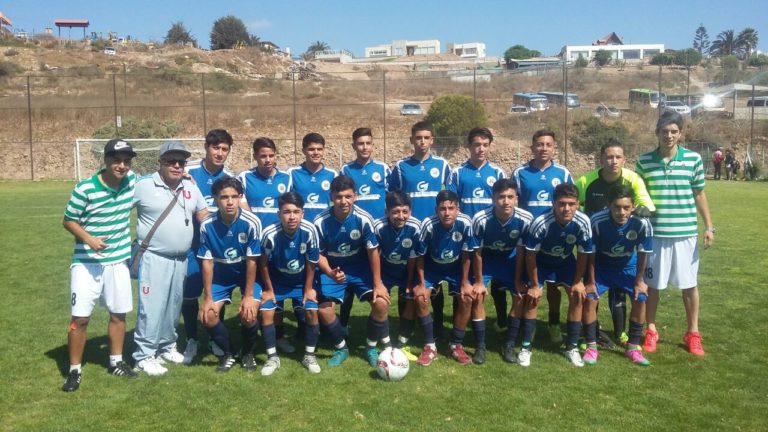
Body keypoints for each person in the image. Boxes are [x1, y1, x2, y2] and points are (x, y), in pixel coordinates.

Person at [61, 139, 139, 392]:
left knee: (118, 314)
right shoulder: (85, 188)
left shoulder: (132, 181)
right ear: (105, 160)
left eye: (126, 161)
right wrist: (89, 239)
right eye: (116, 160)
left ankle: (116, 362)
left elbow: (158, 179)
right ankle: (74, 370)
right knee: (80, 318)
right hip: (86, 263)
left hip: (118, 262)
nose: (122, 166)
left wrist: (186, 177)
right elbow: (68, 220)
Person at [636, 110, 714, 356]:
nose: (669, 135)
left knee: (689, 286)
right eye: (664, 131)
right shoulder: (644, 162)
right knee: (652, 286)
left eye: (674, 131)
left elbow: (699, 194)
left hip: (685, 234)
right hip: (655, 235)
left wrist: (709, 227)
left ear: (680, 133)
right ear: (657, 132)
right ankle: (651, 330)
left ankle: (693, 333)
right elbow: (639, 196)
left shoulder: (693, 159)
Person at [132, 141, 208, 376]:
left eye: (181, 162)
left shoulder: (190, 187)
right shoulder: (143, 185)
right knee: (151, 308)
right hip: (154, 257)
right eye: (171, 161)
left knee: (173, 306)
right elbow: (119, 207)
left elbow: (203, 214)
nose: (176, 166)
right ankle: (144, 355)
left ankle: (166, 346)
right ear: (160, 162)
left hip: (181, 259)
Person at [574, 138, 655, 347]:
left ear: (624, 159)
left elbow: (646, 206)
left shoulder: (632, 179)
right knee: (592, 292)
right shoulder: (586, 181)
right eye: (609, 157)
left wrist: (639, 211)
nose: (613, 161)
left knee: (619, 292)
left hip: (622, 244)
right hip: (595, 246)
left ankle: (621, 333)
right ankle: (591, 333)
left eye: (618, 157)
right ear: (601, 159)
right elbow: (572, 201)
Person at [314, 176, 390, 367]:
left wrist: (378, 283)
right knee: (324, 310)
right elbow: (318, 255)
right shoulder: (320, 221)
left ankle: (371, 347)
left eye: (348, 196)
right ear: (331, 197)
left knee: (381, 303)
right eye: (339, 197)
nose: (344, 201)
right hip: (334, 269)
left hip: (360, 269)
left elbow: (373, 252)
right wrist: (330, 272)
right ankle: (342, 348)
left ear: (355, 196)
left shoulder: (364, 219)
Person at [389, 121, 451, 341]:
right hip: (408, 230)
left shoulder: (442, 165)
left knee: (434, 281)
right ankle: (405, 326)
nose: (422, 142)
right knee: (406, 279)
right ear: (412, 140)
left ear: (432, 140)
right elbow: (393, 197)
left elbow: (449, 197)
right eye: (418, 138)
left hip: (434, 231)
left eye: (426, 138)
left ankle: (438, 325)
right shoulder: (401, 167)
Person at [512, 129, 574, 344]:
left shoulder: (563, 173)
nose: (543, 148)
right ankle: (525, 326)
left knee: (554, 287)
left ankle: (553, 324)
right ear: (532, 147)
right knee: (530, 284)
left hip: (555, 238)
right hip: (529, 238)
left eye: (548, 144)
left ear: (554, 147)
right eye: (539, 144)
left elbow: (571, 201)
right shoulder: (520, 173)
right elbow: (513, 202)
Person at [198, 177, 265, 373]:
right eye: (224, 197)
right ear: (215, 199)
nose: (229, 202)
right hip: (221, 276)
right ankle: (229, 353)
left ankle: (248, 353)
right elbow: (207, 262)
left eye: (234, 197)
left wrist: (248, 296)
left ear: (240, 197)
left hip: (246, 274)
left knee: (249, 314)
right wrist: (208, 298)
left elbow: (252, 261)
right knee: (208, 316)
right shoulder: (207, 224)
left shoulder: (252, 222)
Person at [524, 183, 594, 367]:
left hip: (565, 261)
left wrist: (577, 281)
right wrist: (534, 285)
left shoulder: (583, 221)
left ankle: (572, 347)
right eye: (562, 204)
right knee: (533, 297)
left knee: (577, 295)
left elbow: (583, 253)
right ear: (553, 203)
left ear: (578, 204)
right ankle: (526, 347)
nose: (566, 208)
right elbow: (530, 255)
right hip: (542, 262)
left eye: (571, 204)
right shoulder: (541, 222)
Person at [238, 137, 296, 354]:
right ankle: (253, 335)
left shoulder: (286, 178)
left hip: (279, 245)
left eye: (271, 155)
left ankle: (277, 335)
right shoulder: (245, 178)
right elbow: (242, 207)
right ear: (255, 156)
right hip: (254, 246)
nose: (268, 160)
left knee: (276, 291)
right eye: (263, 156)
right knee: (255, 289)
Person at [447, 127, 508, 330]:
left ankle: (501, 321)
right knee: (463, 281)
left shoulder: (497, 172)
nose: (481, 149)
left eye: (485, 145)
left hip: (491, 236)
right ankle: (460, 321)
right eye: (477, 145)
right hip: (465, 237)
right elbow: (452, 204)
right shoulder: (457, 173)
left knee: (497, 282)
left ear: (490, 147)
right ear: (469, 146)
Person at [181, 129, 234, 364]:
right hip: (192, 246)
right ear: (206, 147)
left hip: (218, 248)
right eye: (216, 148)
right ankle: (191, 339)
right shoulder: (188, 171)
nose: (220, 153)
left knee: (217, 293)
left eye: (224, 149)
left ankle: (214, 338)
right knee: (190, 295)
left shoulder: (230, 177)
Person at [588, 184, 653, 366]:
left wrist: (640, 281)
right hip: (602, 266)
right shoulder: (597, 221)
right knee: (589, 298)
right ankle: (591, 346)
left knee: (640, 297)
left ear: (633, 207)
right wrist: (591, 281)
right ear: (609, 205)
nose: (621, 212)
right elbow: (590, 253)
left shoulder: (642, 223)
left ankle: (633, 348)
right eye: (617, 207)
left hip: (628, 266)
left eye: (626, 207)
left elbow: (643, 253)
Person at [471, 179, 533, 366]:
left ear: (516, 198)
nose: (506, 201)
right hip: (487, 260)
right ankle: (480, 346)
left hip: (510, 259)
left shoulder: (525, 218)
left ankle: (509, 344)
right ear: (493, 198)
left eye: (510, 197)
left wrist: (518, 280)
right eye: (501, 197)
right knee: (477, 296)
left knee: (519, 296)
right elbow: (477, 252)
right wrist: (479, 281)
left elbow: (521, 251)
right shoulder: (481, 219)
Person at [259, 192, 323, 374]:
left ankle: (309, 355)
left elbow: (312, 262)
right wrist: (269, 289)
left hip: (300, 282)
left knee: (311, 310)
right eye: (286, 212)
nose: (292, 217)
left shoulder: (310, 231)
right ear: (279, 214)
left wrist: (308, 289)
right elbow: (263, 263)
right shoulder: (269, 233)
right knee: (268, 312)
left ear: (303, 213)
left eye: (296, 212)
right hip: (277, 281)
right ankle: (272, 357)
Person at [339, 128, 391, 337]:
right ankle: (343, 322)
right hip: (354, 231)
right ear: (354, 146)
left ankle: (381, 320)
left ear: (373, 145)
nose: (364, 147)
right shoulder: (346, 169)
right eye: (360, 143)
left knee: (380, 275)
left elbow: (392, 197)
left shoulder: (383, 168)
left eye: (368, 143)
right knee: (349, 278)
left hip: (378, 233)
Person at [373, 191, 436, 365]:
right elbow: (374, 255)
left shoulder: (416, 227)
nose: (401, 216)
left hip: (408, 270)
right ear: (387, 212)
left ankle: (403, 344)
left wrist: (409, 283)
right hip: (385, 271)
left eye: (405, 211)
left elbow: (414, 258)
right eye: (396, 212)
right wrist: (378, 282)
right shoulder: (378, 226)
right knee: (380, 301)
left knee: (414, 299)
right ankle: (386, 344)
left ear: (410, 211)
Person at [419, 191, 479, 364]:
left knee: (467, 298)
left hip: (455, 268)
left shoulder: (465, 223)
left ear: (457, 209)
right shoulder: (428, 224)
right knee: (421, 297)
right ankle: (430, 346)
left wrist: (465, 282)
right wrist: (422, 282)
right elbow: (420, 256)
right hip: (432, 268)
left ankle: (455, 345)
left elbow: (467, 254)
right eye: (443, 208)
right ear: (436, 209)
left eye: (451, 208)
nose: (447, 213)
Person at [289, 133, 338, 223]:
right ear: (304, 151)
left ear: (324, 151)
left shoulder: (332, 174)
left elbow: (338, 201)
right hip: (301, 225)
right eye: (311, 149)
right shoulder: (293, 173)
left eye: (319, 149)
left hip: (324, 225)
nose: (316, 153)